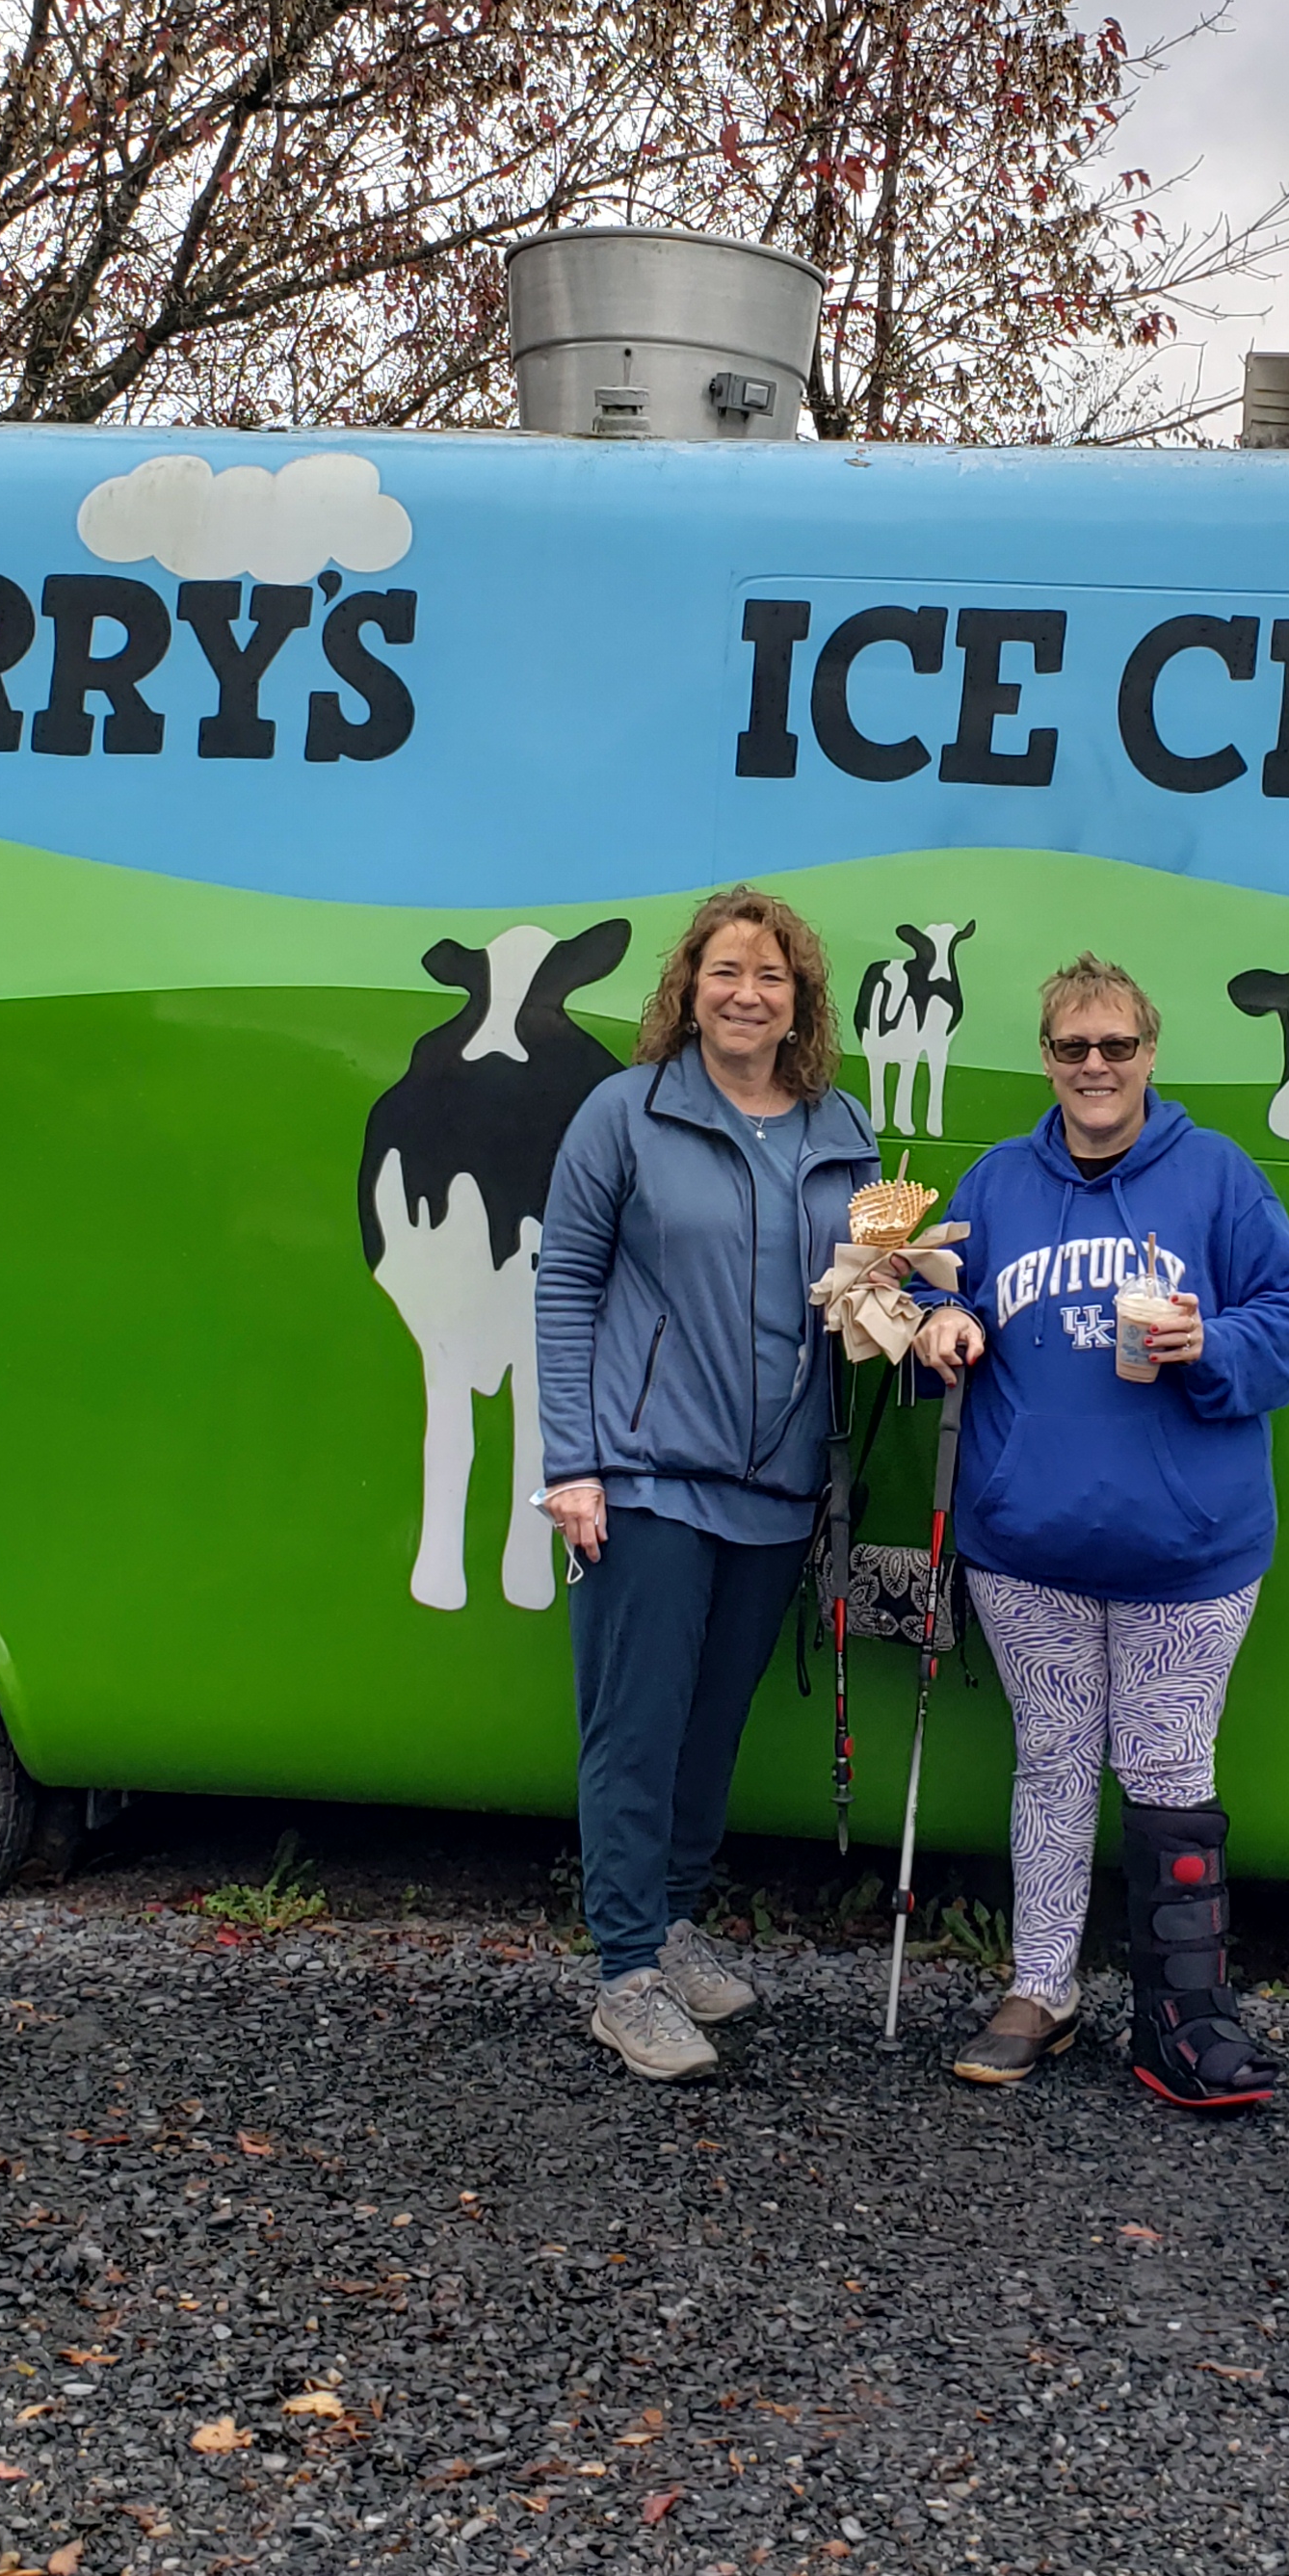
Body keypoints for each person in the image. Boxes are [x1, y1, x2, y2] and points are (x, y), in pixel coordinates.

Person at [908, 954, 1289, 2107]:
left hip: (1185, 1552)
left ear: (1149, 1054)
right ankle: (1041, 1988)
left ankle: (1180, 2010)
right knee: (1050, 1762)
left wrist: (1215, 1348)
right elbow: (939, 1286)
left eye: (1117, 1047)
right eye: (1072, 1048)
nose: (1095, 1068)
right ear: (1046, 1058)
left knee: (1166, 1769)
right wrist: (940, 1321)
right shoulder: (995, 1182)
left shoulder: (1218, 1179)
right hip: (1027, 1545)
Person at [536, 887, 881, 2083]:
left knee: (711, 1725)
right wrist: (571, 1464)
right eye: (727, 971)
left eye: (773, 976)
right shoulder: (624, 1115)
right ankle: (624, 1972)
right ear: (687, 989)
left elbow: (864, 1293)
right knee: (632, 1726)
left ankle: (672, 1924)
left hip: (778, 1490)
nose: (748, 993)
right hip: (646, 1483)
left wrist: (912, 1308)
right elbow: (566, 1286)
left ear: (801, 1003)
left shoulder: (844, 1130)